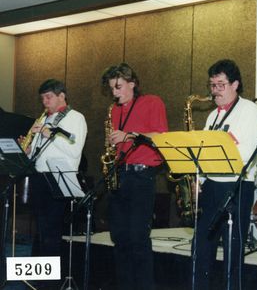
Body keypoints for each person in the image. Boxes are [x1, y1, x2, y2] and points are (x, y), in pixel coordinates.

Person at [192, 59, 257, 289]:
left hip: (237, 187)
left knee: (233, 255)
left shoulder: (249, 110)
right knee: (200, 247)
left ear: (235, 84)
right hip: (213, 186)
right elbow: (202, 151)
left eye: (220, 85)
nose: (215, 91)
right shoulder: (213, 116)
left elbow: (245, 153)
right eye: (212, 85)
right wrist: (199, 179)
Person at [101, 62, 168, 290]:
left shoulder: (152, 102)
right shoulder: (115, 110)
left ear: (132, 84)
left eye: (118, 87)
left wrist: (128, 135)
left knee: (138, 238)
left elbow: (160, 137)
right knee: (119, 238)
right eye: (112, 88)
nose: (115, 92)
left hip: (141, 177)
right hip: (119, 175)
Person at [25, 79, 87, 288]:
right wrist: (27, 148)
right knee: (41, 233)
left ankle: (49, 285)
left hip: (59, 180)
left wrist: (49, 134)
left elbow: (74, 149)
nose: (45, 102)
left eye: (48, 97)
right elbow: (37, 154)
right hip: (40, 179)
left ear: (62, 96)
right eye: (42, 98)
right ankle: (39, 281)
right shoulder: (45, 119)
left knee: (51, 235)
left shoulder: (75, 118)